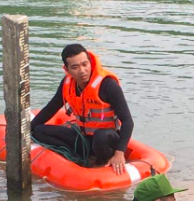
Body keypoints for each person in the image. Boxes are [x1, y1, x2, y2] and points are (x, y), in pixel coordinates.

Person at [31, 44, 135, 175]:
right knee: (39, 131)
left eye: (85, 64)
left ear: (90, 63)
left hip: (107, 140)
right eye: (75, 67)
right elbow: (50, 109)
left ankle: (100, 163)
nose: (82, 70)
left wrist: (120, 152)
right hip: (84, 139)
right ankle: (81, 158)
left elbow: (128, 121)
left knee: (101, 136)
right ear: (67, 70)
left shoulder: (108, 85)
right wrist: (28, 129)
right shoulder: (67, 84)